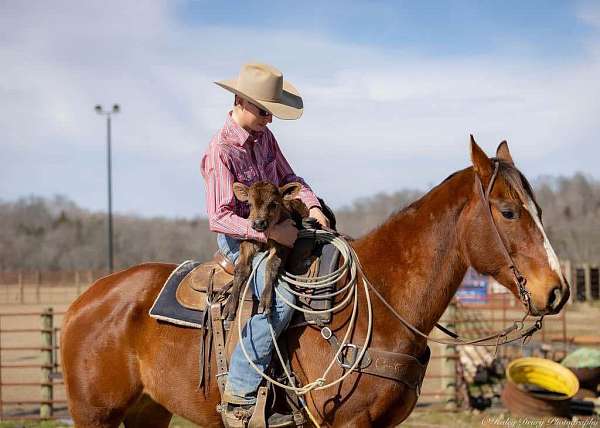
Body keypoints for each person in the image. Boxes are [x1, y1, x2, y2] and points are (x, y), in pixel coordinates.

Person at [201, 62, 329, 426]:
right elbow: (219, 217)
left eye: (271, 113)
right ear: (240, 101)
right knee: (282, 296)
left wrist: (315, 206)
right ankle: (240, 396)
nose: (268, 120)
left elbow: (289, 178)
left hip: (278, 224)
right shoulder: (221, 150)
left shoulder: (265, 139)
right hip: (238, 238)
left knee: (327, 261)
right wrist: (269, 234)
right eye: (263, 112)